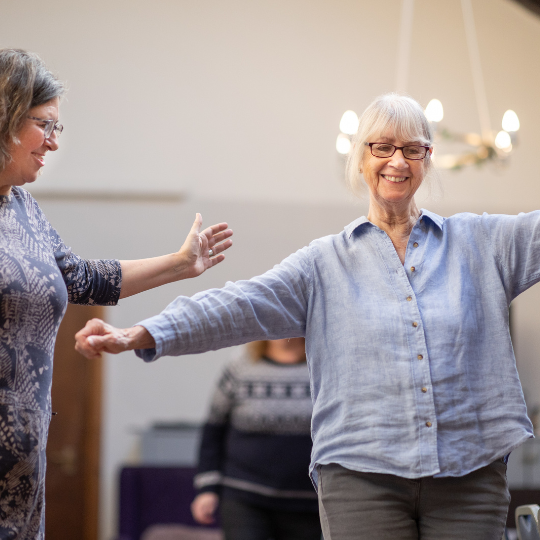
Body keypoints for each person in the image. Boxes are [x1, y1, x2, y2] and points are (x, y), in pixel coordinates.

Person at [75, 92, 538, 540]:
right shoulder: (324, 263)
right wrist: (142, 332)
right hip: (362, 479)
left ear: (427, 158)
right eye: (383, 147)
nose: (398, 161)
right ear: (360, 157)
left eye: (412, 149)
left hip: (469, 473)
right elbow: (241, 304)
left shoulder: (482, 243)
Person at [0, 48, 233, 539]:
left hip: (23, 473)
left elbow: (82, 278)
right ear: (6, 113)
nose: (53, 143)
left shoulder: (23, 208)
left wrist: (181, 263)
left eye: (56, 128)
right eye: (45, 125)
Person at [191, 338, 321, 540]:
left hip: (307, 499)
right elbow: (213, 430)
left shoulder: (323, 366)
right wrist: (207, 488)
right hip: (244, 495)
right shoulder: (240, 366)